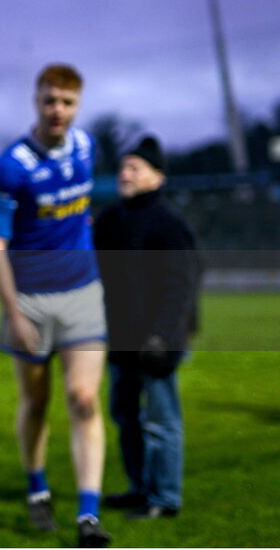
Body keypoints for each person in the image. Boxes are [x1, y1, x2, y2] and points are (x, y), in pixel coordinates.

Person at [0, 64, 111, 547]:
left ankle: (88, 515)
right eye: (50, 100)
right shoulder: (10, 167)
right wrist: (14, 314)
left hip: (82, 293)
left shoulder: (88, 147)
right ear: (36, 101)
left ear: (79, 105)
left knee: (83, 398)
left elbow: (81, 211)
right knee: (36, 401)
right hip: (29, 301)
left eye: (68, 102)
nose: (59, 110)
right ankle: (37, 489)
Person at [93, 136, 199, 520]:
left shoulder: (168, 223)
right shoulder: (109, 220)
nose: (125, 173)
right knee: (125, 417)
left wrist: (162, 336)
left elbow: (180, 286)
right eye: (123, 167)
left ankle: (165, 498)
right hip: (120, 340)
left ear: (158, 177)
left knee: (160, 421)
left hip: (157, 340)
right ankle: (140, 488)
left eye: (135, 167)